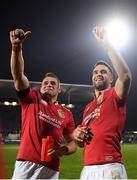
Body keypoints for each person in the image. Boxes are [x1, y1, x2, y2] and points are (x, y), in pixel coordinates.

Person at [10, 28, 77, 179]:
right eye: (45, 83)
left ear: (59, 89)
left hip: (51, 168)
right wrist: (16, 47)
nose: (49, 85)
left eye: (53, 83)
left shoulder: (66, 113)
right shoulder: (31, 98)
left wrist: (64, 150)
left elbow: (73, 143)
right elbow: (18, 75)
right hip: (25, 164)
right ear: (40, 87)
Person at [73, 26, 132, 180]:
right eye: (95, 72)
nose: (98, 74)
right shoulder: (88, 107)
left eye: (103, 72)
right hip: (87, 170)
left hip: (110, 168)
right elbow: (80, 142)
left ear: (111, 78)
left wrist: (106, 45)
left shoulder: (115, 95)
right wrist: (76, 134)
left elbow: (125, 76)